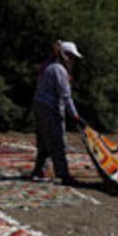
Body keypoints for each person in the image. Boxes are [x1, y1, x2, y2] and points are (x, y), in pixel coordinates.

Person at [29, 40, 85, 184]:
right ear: (66, 55)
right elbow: (65, 96)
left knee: (43, 141)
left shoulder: (47, 65)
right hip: (49, 108)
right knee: (57, 141)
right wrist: (75, 115)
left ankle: (38, 171)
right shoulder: (58, 70)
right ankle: (63, 174)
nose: (73, 61)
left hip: (39, 105)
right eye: (72, 57)